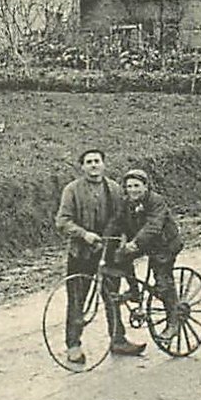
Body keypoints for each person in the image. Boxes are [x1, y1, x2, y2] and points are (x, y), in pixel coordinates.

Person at [53, 148, 127, 364]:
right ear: (82, 166)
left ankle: (118, 339)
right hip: (81, 254)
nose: (94, 165)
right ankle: (73, 345)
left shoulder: (113, 188)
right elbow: (62, 221)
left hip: (107, 252)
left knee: (112, 295)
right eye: (89, 162)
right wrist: (84, 234)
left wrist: (122, 236)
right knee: (77, 299)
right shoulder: (72, 190)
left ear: (104, 165)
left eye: (97, 161)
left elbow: (122, 218)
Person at [110, 169, 185, 345]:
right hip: (144, 243)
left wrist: (135, 243)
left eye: (137, 186)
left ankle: (173, 322)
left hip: (165, 244)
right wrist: (106, 238)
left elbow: (154, 226)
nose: (133, 190)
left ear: (146, 186)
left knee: (162, 278)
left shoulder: (156, 201)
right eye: (129, 187)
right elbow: (116, 222)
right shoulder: (126, 202)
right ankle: (134, 291)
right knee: (119, 258)